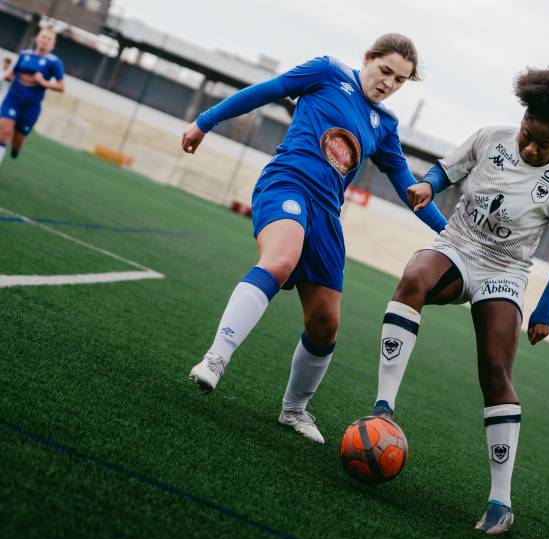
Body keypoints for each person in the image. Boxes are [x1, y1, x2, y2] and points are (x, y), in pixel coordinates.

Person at [182, 34, 448, 444]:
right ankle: (216, 358)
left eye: (399, 81)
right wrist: (205, 121)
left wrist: (451, 234)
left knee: (325, 325)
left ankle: (294, 411)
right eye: (385, 71)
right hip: (287, 184)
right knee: (280, 259)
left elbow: (408, 189)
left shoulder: (386, 126)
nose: (389, 84)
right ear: (368, 58)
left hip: (327, 215)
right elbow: (266, 91)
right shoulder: (326, 72)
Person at [367, 67, 549, 534]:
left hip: (504, 273)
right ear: (524, 117)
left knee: (495, 369)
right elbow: (445, 170)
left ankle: (499, 501)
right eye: (529, 136)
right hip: (456, 245)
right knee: (413, 276)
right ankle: (382, 411)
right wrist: (427, 186)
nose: (532, 148)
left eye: (545, 145)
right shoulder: (490, 138)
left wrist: (544, 312)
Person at [0, 29, 65, 167]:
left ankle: (16, 150)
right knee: (4, 132)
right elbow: (12, 73)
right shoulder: (24, 55)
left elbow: (61, 86)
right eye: (43, 37)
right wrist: (6, 76)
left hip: (31, 107)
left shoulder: (54, 62)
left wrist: (43, 82)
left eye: (49, 39)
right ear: (37, 38)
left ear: (53, 44)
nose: (45, 40)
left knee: (18, 139)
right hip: (13, 100)